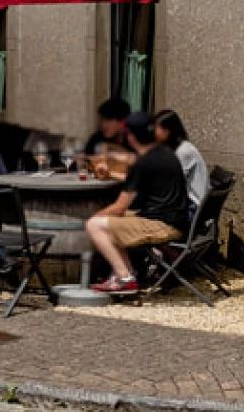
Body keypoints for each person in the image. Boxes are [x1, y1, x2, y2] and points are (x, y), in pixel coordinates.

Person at [86, 111, 207, 296]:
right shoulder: (166, 153)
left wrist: (95, 216)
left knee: (95, 225)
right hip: (173, 218)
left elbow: (119, 208)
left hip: (165, 224)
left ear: (131, 137)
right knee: (109, 221)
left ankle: (125, 280)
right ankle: (127, 274)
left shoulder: (146, 162)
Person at [82, 97, 137, 178]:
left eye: (108, 120)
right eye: (101, 120)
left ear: (122, 122)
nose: (103, 125)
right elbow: (86, 162)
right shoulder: (97, 138)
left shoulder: (133, 139)